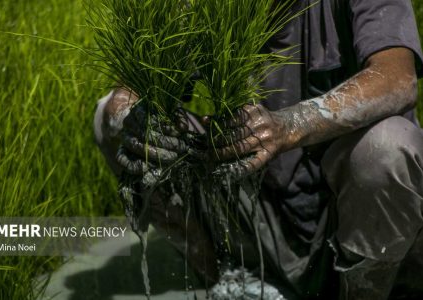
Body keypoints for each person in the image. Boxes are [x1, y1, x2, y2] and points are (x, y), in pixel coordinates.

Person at [94, 0, 423, 299]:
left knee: (387, 147)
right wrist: (132, 114)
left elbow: (397, 78)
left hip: (349, 216)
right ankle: (221, 277)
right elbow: (137, 89)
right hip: (259, 210)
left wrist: (289, 125)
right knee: (110, 118)